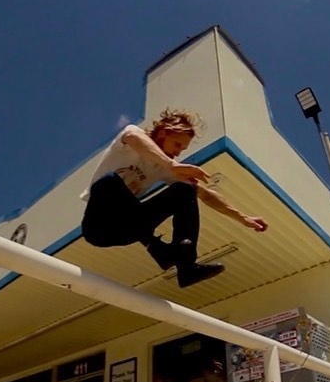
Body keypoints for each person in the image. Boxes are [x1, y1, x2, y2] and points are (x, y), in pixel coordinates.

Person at [80, 108, 268, 288]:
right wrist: (171, 165)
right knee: (108, 182)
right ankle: (156, 248)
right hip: (99, 227)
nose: (178, 153)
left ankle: (186, 267)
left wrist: (244, 218)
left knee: (184, 190)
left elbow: (206, 196)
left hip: (128, 229)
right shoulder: (132, 135)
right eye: (177, 144)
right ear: (163, 132)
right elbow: (133, 138)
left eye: (182, 149)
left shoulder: (165, 168)